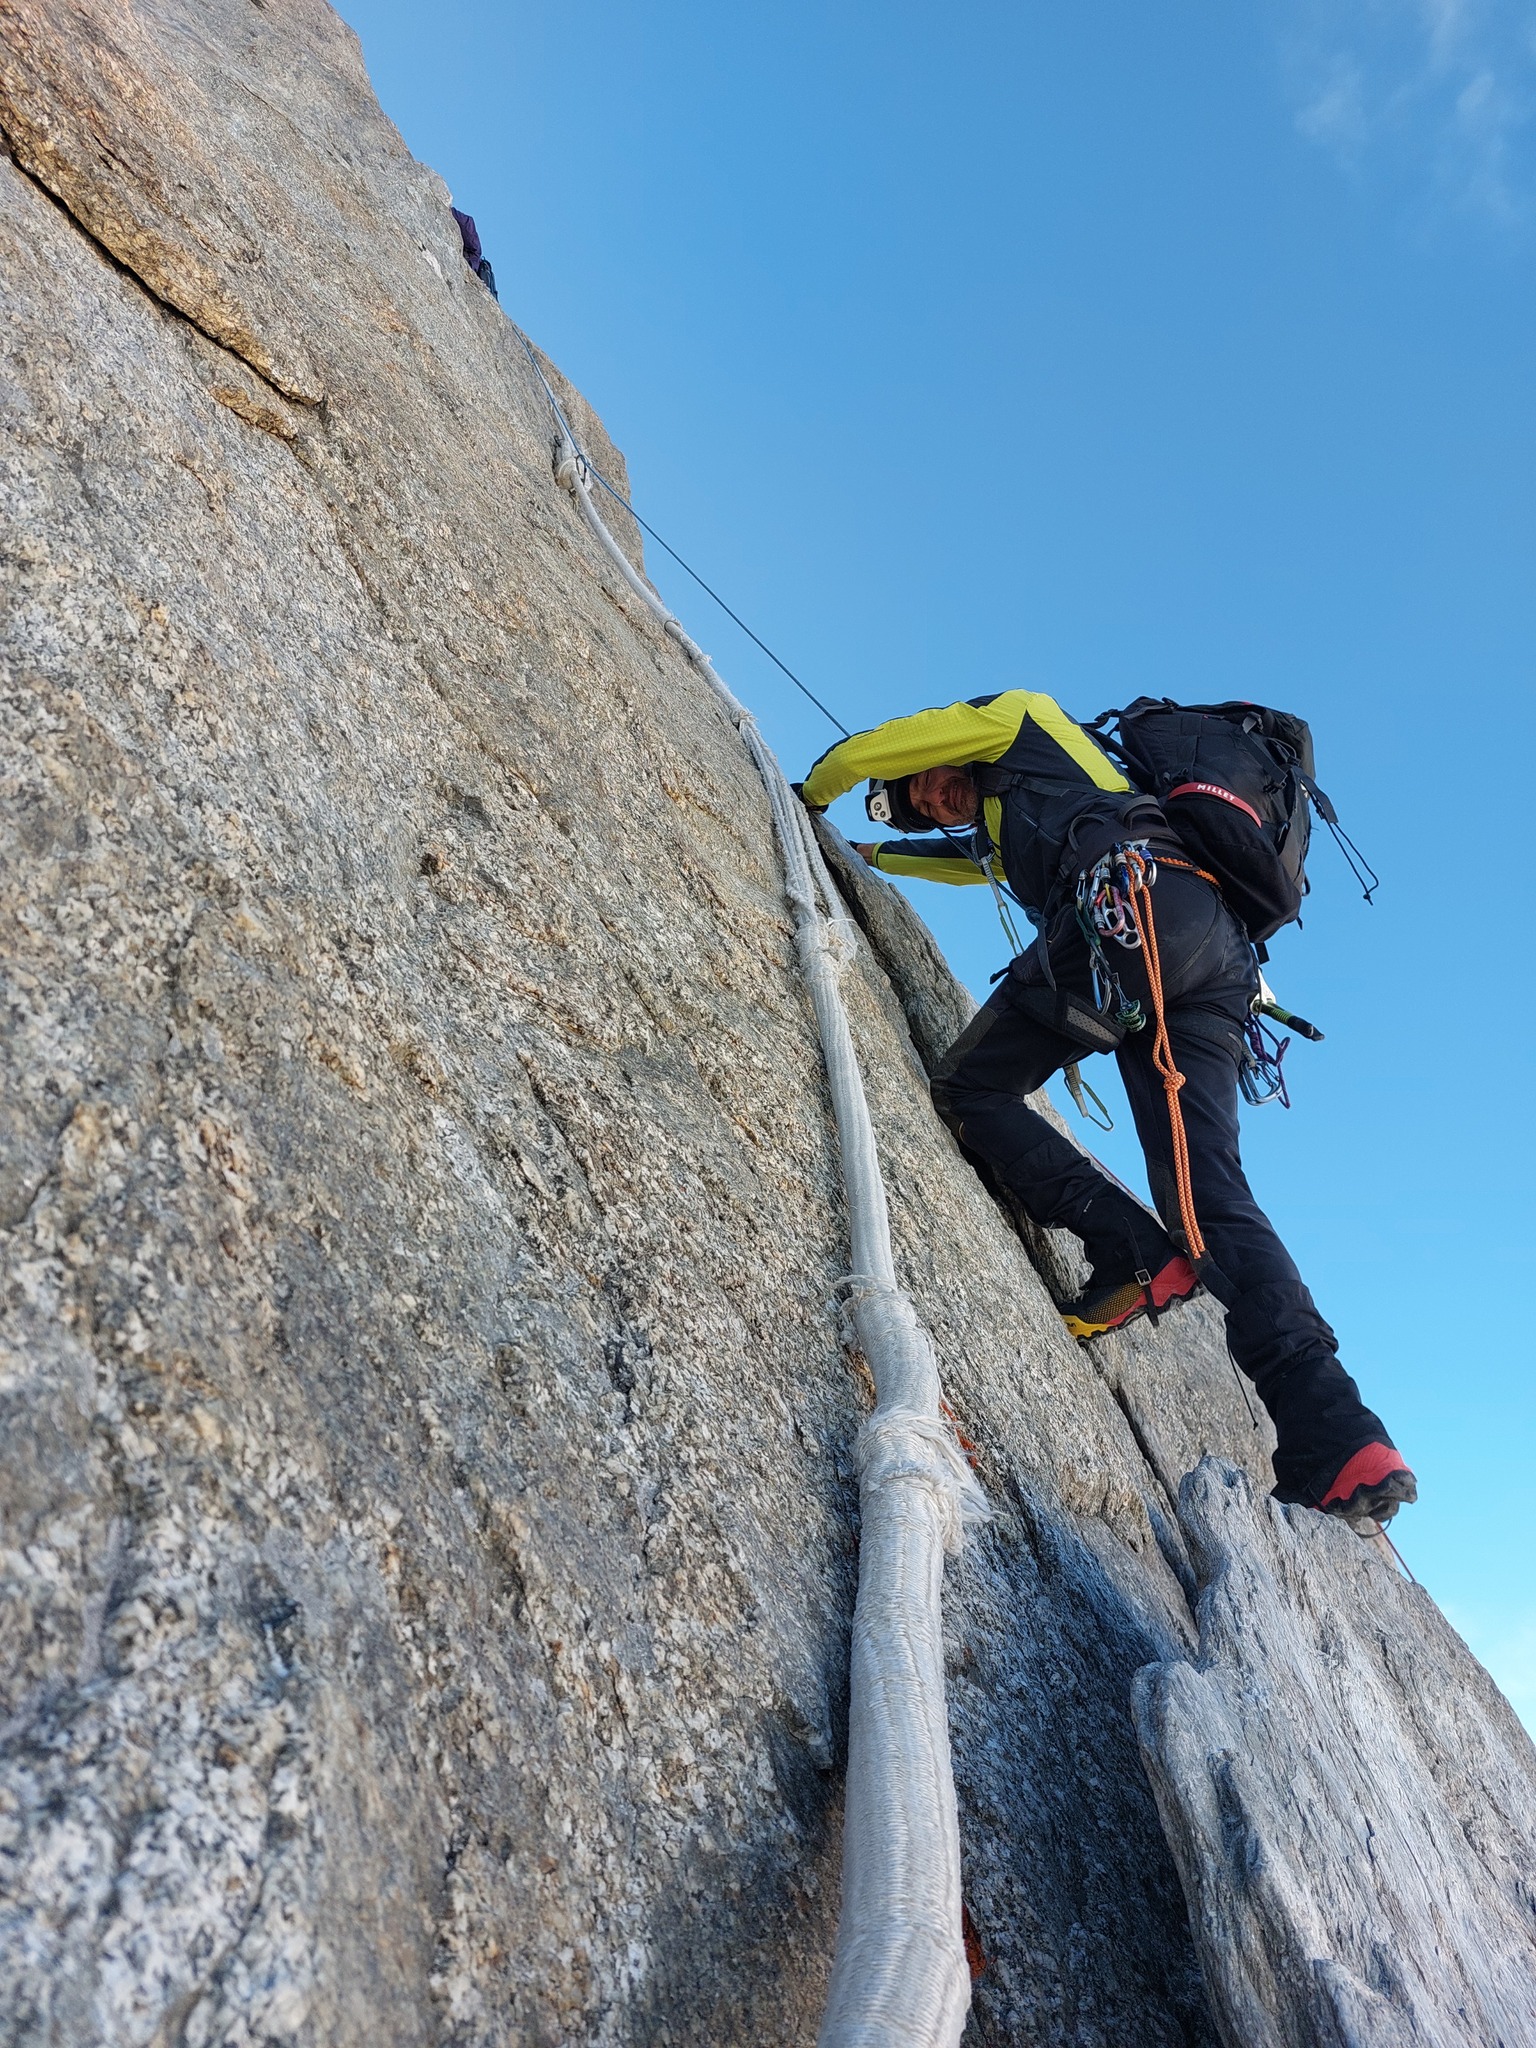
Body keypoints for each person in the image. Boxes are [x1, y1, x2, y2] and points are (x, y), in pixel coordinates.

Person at [798, 688, 1416, 1527]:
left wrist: (815, 791)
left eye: (925, 784)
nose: (929, 799)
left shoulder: (1019, 717)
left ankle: (1129, 1251)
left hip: (1129, 916)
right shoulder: (1017, 817)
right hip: (1205, 953)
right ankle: (1338, 1438)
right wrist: (875, 850)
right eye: (918, 807)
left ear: (942, 757)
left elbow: (883, 740)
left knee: (972, 1087)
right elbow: (955, 858)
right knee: (1206, 1200)